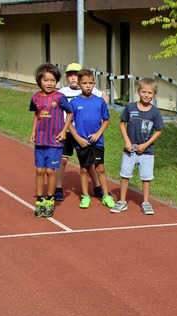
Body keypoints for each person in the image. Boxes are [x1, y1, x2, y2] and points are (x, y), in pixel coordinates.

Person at [55, 62, 109, 201]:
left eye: (75, 74)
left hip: (86, 133)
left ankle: (97, 187)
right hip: (68, 131)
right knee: (63, 159)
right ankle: (59, 188)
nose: (73, 78)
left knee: (90, 163)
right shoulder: (62, 92)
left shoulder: (92, 91)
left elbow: (102, 99)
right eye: (70, 75)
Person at [110, 77, 164, 215]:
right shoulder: (130, 107)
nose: (146, 95)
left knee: (146, 177)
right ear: (138, 92)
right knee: (125, 175)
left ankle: (146, 202)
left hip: (147, 151)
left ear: (154, 94)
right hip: (130, 150)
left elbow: (159, 130)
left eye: (150, 93)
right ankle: (122, 201)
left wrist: (145, 145)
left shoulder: (155, 112)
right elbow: (122, 123)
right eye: (144, 92)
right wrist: (127, 141)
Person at [29, 63, 72, 218]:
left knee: (50, 171)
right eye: (46, 80)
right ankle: (40, 200)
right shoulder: (35, 97)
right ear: (40, 80)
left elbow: (70, 113)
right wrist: (33, 130)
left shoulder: (59, 97)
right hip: (40, 139)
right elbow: (36, 115)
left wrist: (64, 130)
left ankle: (50, 200)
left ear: (57, 81)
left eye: (52, 80)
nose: (49, 83)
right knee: (40, 170)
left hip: (54, 140)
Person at [69, 69, 115, 209]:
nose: (87, 86)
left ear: (94, 84)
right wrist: (77, 137)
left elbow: (106, 120)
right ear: (79, 84)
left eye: (90, 83)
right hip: (82, 142)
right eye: (84, 83)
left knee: (100, 168)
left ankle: (106, 196)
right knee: (84, 169)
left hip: (97, 141)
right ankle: (85, 196)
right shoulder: (74, 103)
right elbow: (69, 123)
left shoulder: (100, 102)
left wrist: (98, 133)